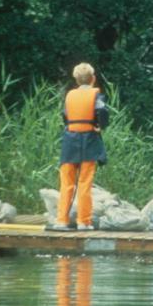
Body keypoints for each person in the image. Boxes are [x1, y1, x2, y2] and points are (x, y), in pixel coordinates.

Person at [54, 63, 109, 231]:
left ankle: (62, 221)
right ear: (93, 79)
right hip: (89, 140)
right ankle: (83, 222)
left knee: (67, 183)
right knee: (85, 183)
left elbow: (65, 115)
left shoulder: (69, 95)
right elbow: (103, 112)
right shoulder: (96, 96)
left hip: (70, 140)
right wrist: (100, 126)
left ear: (76, 80)